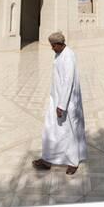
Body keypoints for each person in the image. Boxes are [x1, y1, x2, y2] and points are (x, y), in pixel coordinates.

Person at [32, 31, 87, 175]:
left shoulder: (68, 56)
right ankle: (47, 159)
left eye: (53, 46)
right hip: (56, 99)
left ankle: (73, 162)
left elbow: (68, 82)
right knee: (51, 129)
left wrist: (62, 105)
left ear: (59, 44)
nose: (52, 48)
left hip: (66, 103)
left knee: (69, 132)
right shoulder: (60, 54)